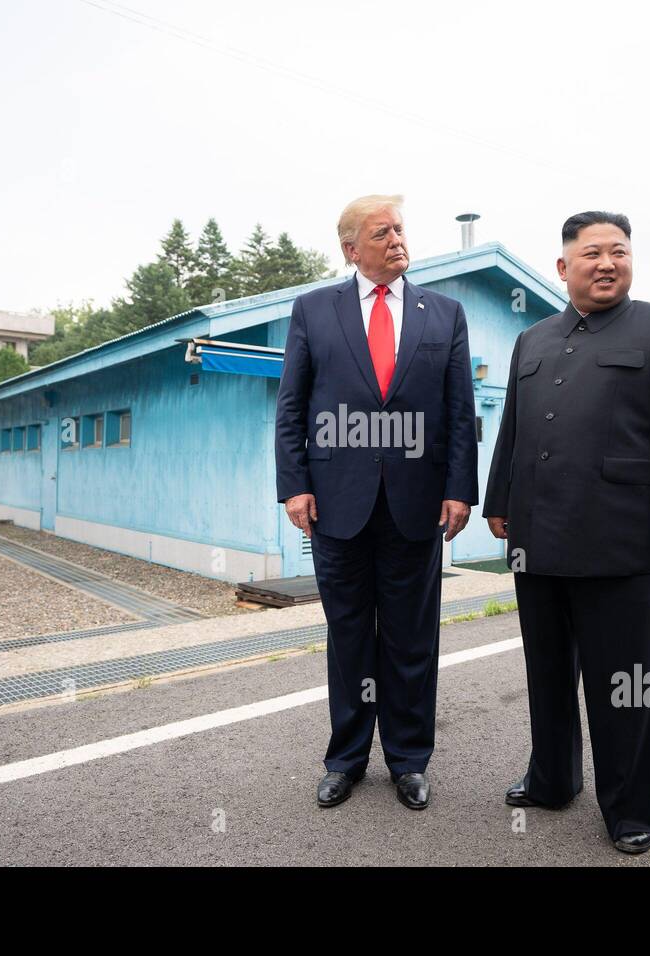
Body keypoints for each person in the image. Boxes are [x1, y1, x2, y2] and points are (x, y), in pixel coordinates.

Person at [483, 211, 650, 855]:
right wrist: (499, 498)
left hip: (625, 537)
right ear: (564, 267)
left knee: (630, 681)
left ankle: (631, 806)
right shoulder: (532, 339)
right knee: (547, 671)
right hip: (538, 535)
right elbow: (515, 428)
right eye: (591, 253)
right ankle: (552, 778)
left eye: (619, 251)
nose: (607, 262)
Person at [275, 194, 478, 811]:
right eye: (381, 231)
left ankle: (410, 761)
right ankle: (346, 759)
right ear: (350, 249)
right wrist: (295, 484)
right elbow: (292, 407)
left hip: (416, 504)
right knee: (350, 635)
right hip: (337, 505)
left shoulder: (444, 314)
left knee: (412, 636)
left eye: (400, 228)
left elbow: (458, 412)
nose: (396, 239)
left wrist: (458, 489)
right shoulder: (314, 311)